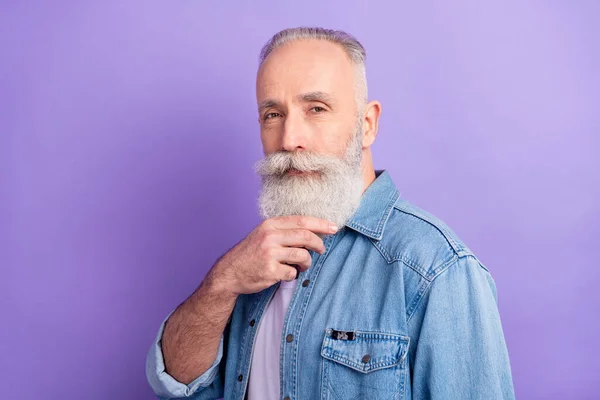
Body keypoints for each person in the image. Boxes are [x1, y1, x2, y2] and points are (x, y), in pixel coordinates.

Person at [146, 27, 516, 400]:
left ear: (367, 124)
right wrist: (222, 283)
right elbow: (175, 383)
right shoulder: (251, 261)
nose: (289, 139)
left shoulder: (436, 269)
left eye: (316, 109)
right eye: (273, 114)